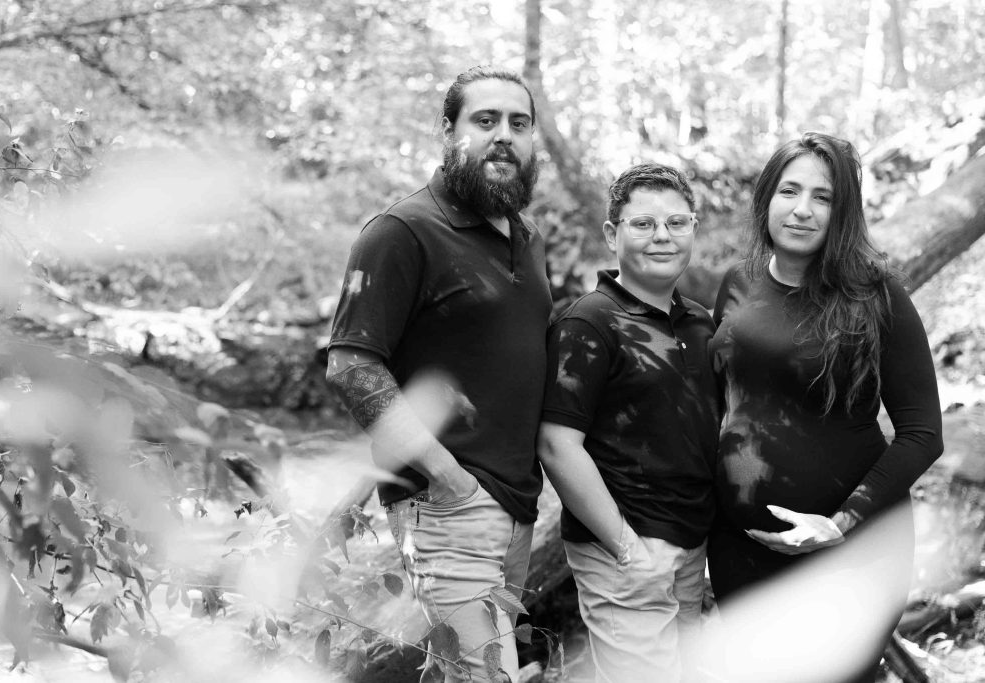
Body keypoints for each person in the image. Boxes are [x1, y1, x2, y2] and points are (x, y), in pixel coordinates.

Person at [325, 66, 551, 682]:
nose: (504, 136)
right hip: (447, 507)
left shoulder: (524, 238)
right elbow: (350, 363)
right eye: (485, 121)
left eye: (519, 123)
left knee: (460, 672)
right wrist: (446, 476)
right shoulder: (401, 232)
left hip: (515, 512)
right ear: (448, 131)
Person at [707, 131, 944, 681]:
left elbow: (922, 433)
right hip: (741, 551)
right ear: (767, 197)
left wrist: (840, 523)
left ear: (844, 213)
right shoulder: (737, 283)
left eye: (825, 197)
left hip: (849, 551)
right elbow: (728, 405)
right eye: (790, 190)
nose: (803, 210)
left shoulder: (877, 296)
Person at [537, 163, 720, 682]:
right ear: (613, 235)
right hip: (625, 554)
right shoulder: (588, 323)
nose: (662, 236)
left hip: (689, 549)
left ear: (692, 230)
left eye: (676, 223)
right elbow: (556, 445)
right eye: (644, 224)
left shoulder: (702, 323)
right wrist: (627, 549)